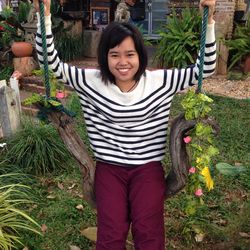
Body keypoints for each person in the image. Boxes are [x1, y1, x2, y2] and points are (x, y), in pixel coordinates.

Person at [33, 0, 217, 249]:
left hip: (147, 168)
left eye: (130, 54)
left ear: (140, 55)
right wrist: (44, 17)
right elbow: (48, 64)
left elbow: (205, 68)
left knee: (148, 230)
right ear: (104, 57)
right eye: (114, 55)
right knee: (111, 232)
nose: (123, 62)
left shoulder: (161, 81)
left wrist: (210, 21)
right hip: (109, 168)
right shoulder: (90, 81)